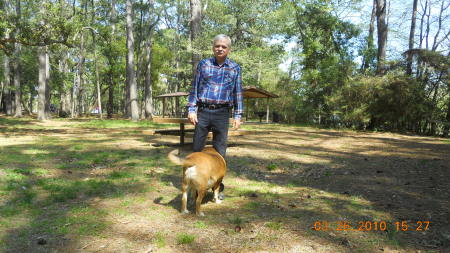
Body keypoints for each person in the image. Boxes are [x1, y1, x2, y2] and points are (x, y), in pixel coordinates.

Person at [187, 34, 243, 158]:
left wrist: (237, 115)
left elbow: (237, 92)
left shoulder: (235, 68)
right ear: (213, 48)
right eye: (217, 46)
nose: (220, 49)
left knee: (220, 150)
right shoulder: (203, 64)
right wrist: (191, 110)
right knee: (197, 148)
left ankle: (217, 177)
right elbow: (194, 88)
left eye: (224, 46)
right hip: (203, 111)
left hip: (222, 113)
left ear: (229, 49)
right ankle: (195, 175)